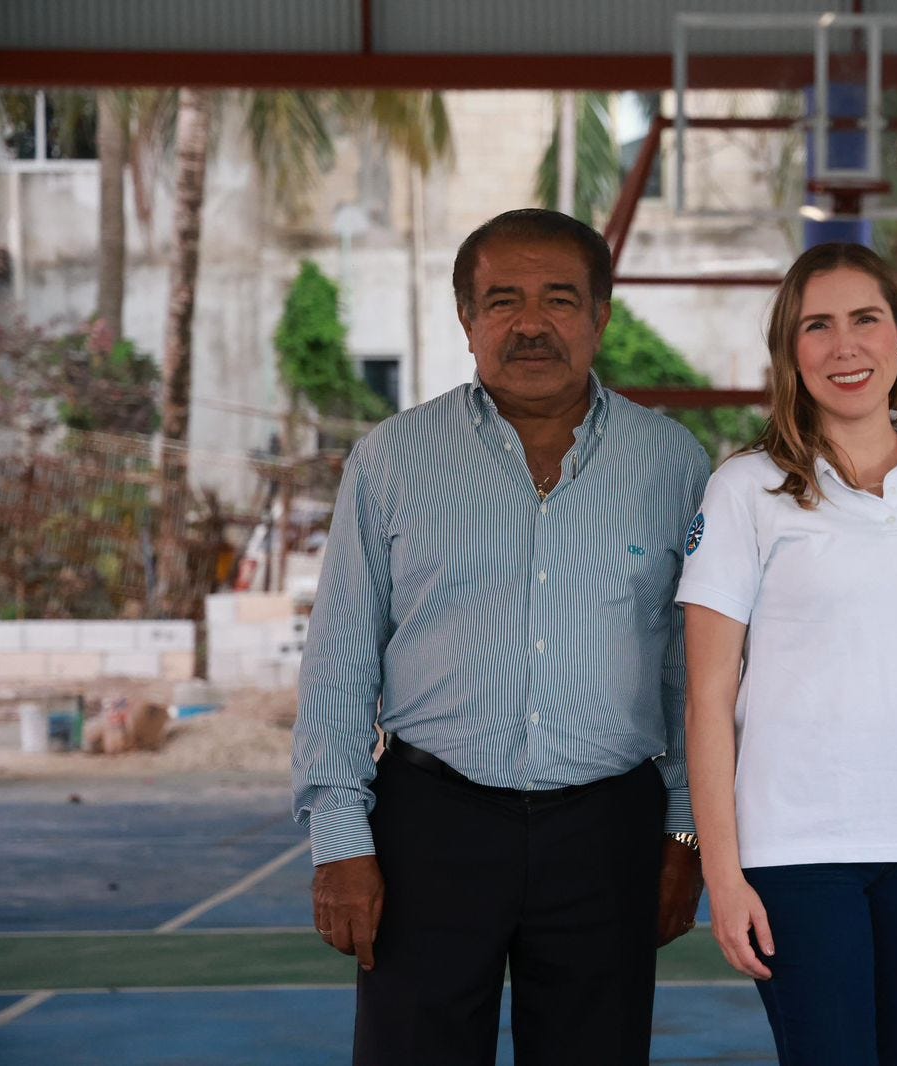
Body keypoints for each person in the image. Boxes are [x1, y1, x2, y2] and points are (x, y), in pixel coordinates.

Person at [291, 208, 710, 1065]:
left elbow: (689, 671)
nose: (530, 324)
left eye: (559, 299)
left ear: (600, 316)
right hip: (430, 828)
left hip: (609, 832)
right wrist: (339, 842)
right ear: (466, 316)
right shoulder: (392, 460)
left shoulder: (672, 463)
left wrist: (683, 835)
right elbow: (339, 662)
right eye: (502, 300)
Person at [678, 242, 897, 1066]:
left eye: (865, 320)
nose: (845, 347)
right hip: (795, 851)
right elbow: (707, 698)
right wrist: (723, 874)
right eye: (817, 326)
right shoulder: (745, 489)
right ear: (790, 351)